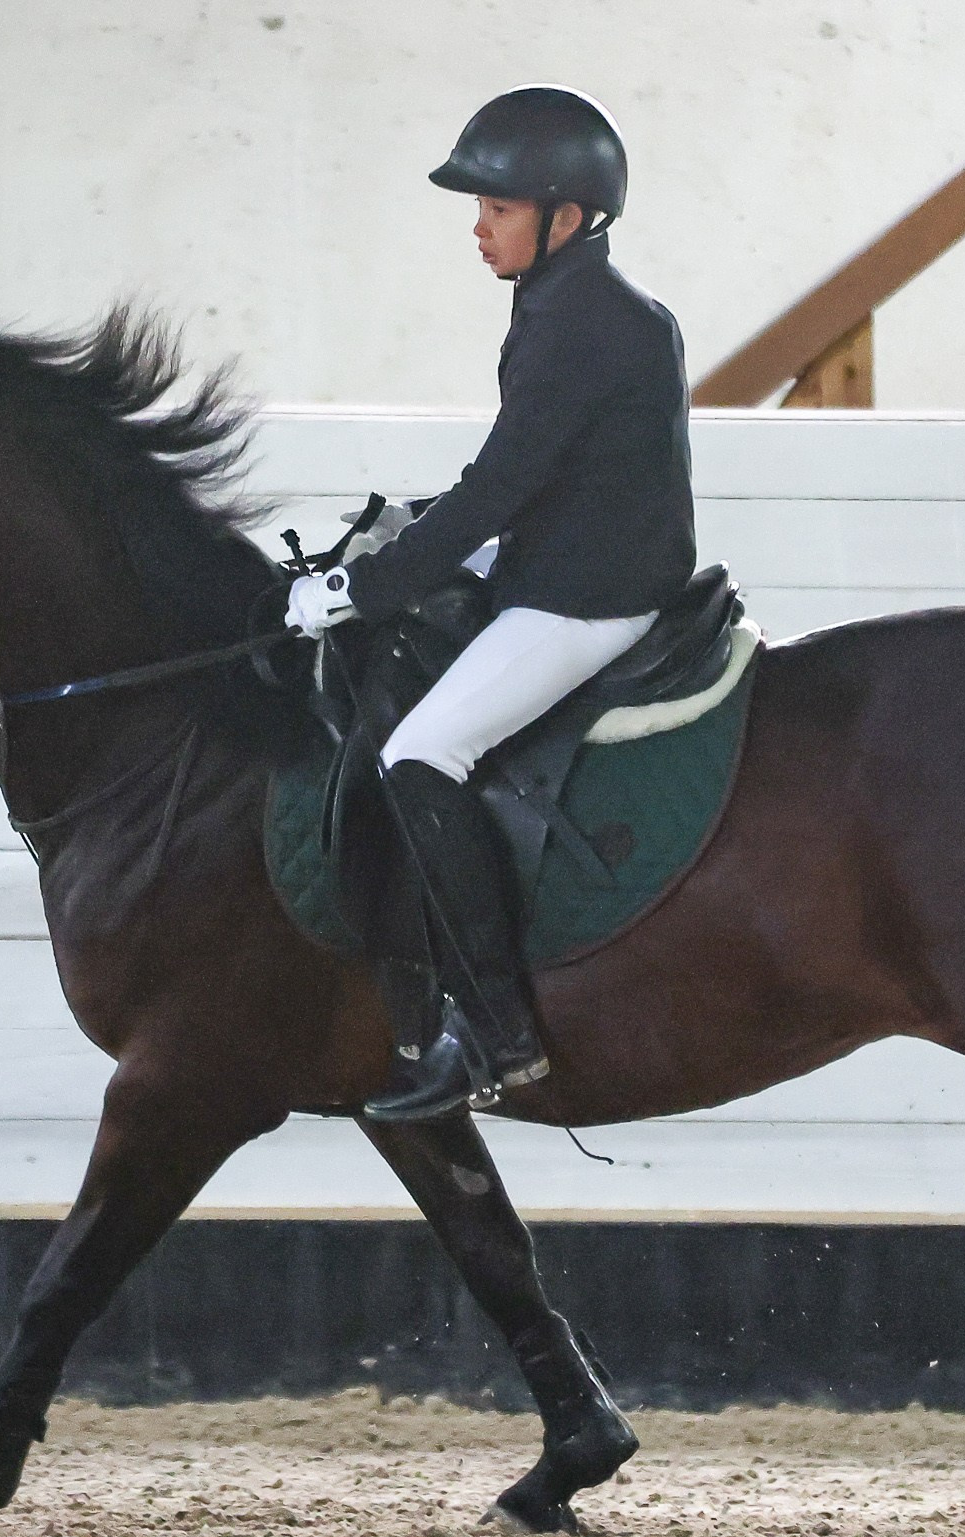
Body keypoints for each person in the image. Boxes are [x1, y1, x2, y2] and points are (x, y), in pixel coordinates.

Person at [285, 85, 697, 1122]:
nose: (477, 228)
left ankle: (499, 1036)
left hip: (588, 599)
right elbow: (521, 477)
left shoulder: (585, 326)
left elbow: (498, 491)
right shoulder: (567, 302)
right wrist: (394, 545)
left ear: (565, 216)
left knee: (422, 755)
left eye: (497, 209)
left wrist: (360, 585)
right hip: (556, 560)